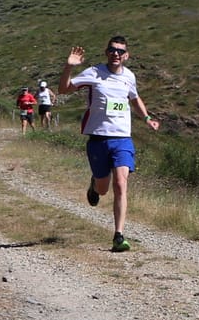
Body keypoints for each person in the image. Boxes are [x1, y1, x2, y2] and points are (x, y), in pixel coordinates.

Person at [63, 36, 160, 252]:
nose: (116, 53)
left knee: (121, 183)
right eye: (112, 50)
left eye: (120, 51)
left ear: (126, 55)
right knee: (104, 189)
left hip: (122, 138)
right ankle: (95, 184)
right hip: (98, 138)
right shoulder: (94, 73)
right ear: (107, 52)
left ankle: (118, 235)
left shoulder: (129, 77)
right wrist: (68, 67)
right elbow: (65, 89)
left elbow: (135, 98)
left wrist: (146, 118)